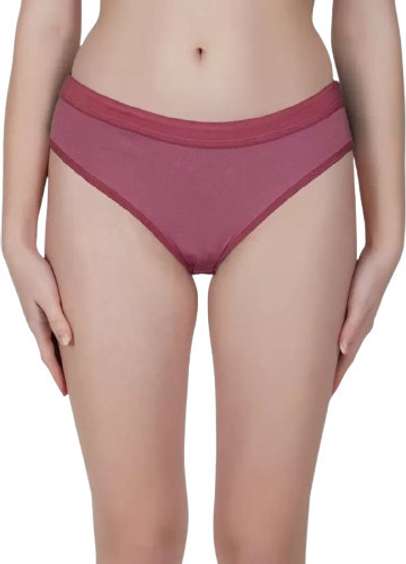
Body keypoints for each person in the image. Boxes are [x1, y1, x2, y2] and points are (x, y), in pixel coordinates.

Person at [2, 1, 404, 563]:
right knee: (137, 541)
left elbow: (364, 12)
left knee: (263, 545)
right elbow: (50, 14)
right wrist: (15, 232)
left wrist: (388, 233)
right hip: (110, 158)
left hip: (293, 163)